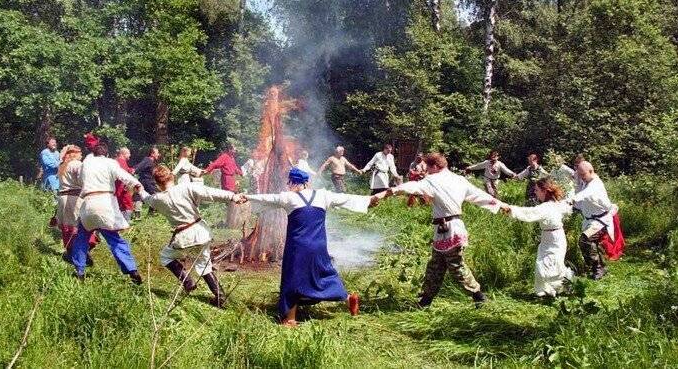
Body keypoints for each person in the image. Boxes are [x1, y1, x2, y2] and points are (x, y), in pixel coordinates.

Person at [243, 168, 379, 326]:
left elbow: (267, 199)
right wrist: (369, 200)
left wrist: (245, 196)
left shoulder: (289, 198)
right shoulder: (323, 195)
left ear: (291, 183)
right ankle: (348, 299)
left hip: (297, 246)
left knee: (292, 279)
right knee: (325, 274)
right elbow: (345, 198)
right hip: (318, 245)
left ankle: (290, 319)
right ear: (307, 182)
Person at [377, 153, 501, 307]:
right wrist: (501, 205)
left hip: (450, 230)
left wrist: (388, 192)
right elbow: (479, 196)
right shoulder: (458, 179)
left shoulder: (432, 180)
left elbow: (411, 186)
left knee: (456, 266)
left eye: (428, 167)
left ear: (435, 166)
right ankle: (425, 302)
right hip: (447, 229)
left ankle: (479, 297)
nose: (426, 171)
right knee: (435, 266)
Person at [138, 166, 245, 307]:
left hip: (185, 237)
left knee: (166, 256)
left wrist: (140, 190)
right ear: (172, 177)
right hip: (201, 232)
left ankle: (188, 282)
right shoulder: (186, 187)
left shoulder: (158, 199)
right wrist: (232, 196)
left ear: (158, 183)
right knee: (204, 265)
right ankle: (220, 297)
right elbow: (210, 192)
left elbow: (147, 199)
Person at [71, 141, 143, 284]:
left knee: (81, 238)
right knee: (115, 240)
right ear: (107, 154)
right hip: (105, 204)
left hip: (88, 204)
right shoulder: (110, 162)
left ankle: (80, 271)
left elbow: (80, 181)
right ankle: (131, 270)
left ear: (94, 153)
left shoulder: (86, 163)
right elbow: (123, 175)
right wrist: (136, 184)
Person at [500, 178, 574, 297]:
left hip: (555, 239)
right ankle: (546, 292)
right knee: (543, 265)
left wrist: (511, 209)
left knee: (550, 267)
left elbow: (529, 213)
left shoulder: (547, 207)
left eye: (537, 190)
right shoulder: (553, 204)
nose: (535, 192)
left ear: (544, 191)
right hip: (548, 237)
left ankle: (567, 281)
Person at [571, 161, 616, 280]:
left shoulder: (595, 184)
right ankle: (601, 266)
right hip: (591, 220)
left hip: (601, 221)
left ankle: (597, 268)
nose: (581, 177)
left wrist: (573, 200)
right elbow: (584, 199)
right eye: (579, 175)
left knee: (585, 240)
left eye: (583, 174)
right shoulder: (586, 181)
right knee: (593, 244)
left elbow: (585, 194)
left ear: (591, 171)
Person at [56, 145, 98, 262]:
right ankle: (82, 253)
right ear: (74, 154)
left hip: (63, 198)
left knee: (68, 226)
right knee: (79, 225)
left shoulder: (62, 166)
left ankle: (71, 253)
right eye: (80, 153)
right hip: (74, 198)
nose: (81, 155)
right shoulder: (76, 164)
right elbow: (83, 178)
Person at [115, 147, 136, 221]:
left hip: (118, 188)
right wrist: (127, 186)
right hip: (123, 188)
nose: (130, 155)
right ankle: (125, 224)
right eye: (129, 153)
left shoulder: (117, 161)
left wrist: (130, 170)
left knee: (121, 205)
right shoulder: (121, 161)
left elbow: (124, 171)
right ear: (123, 154)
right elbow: (123, 176)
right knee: (128, 205)